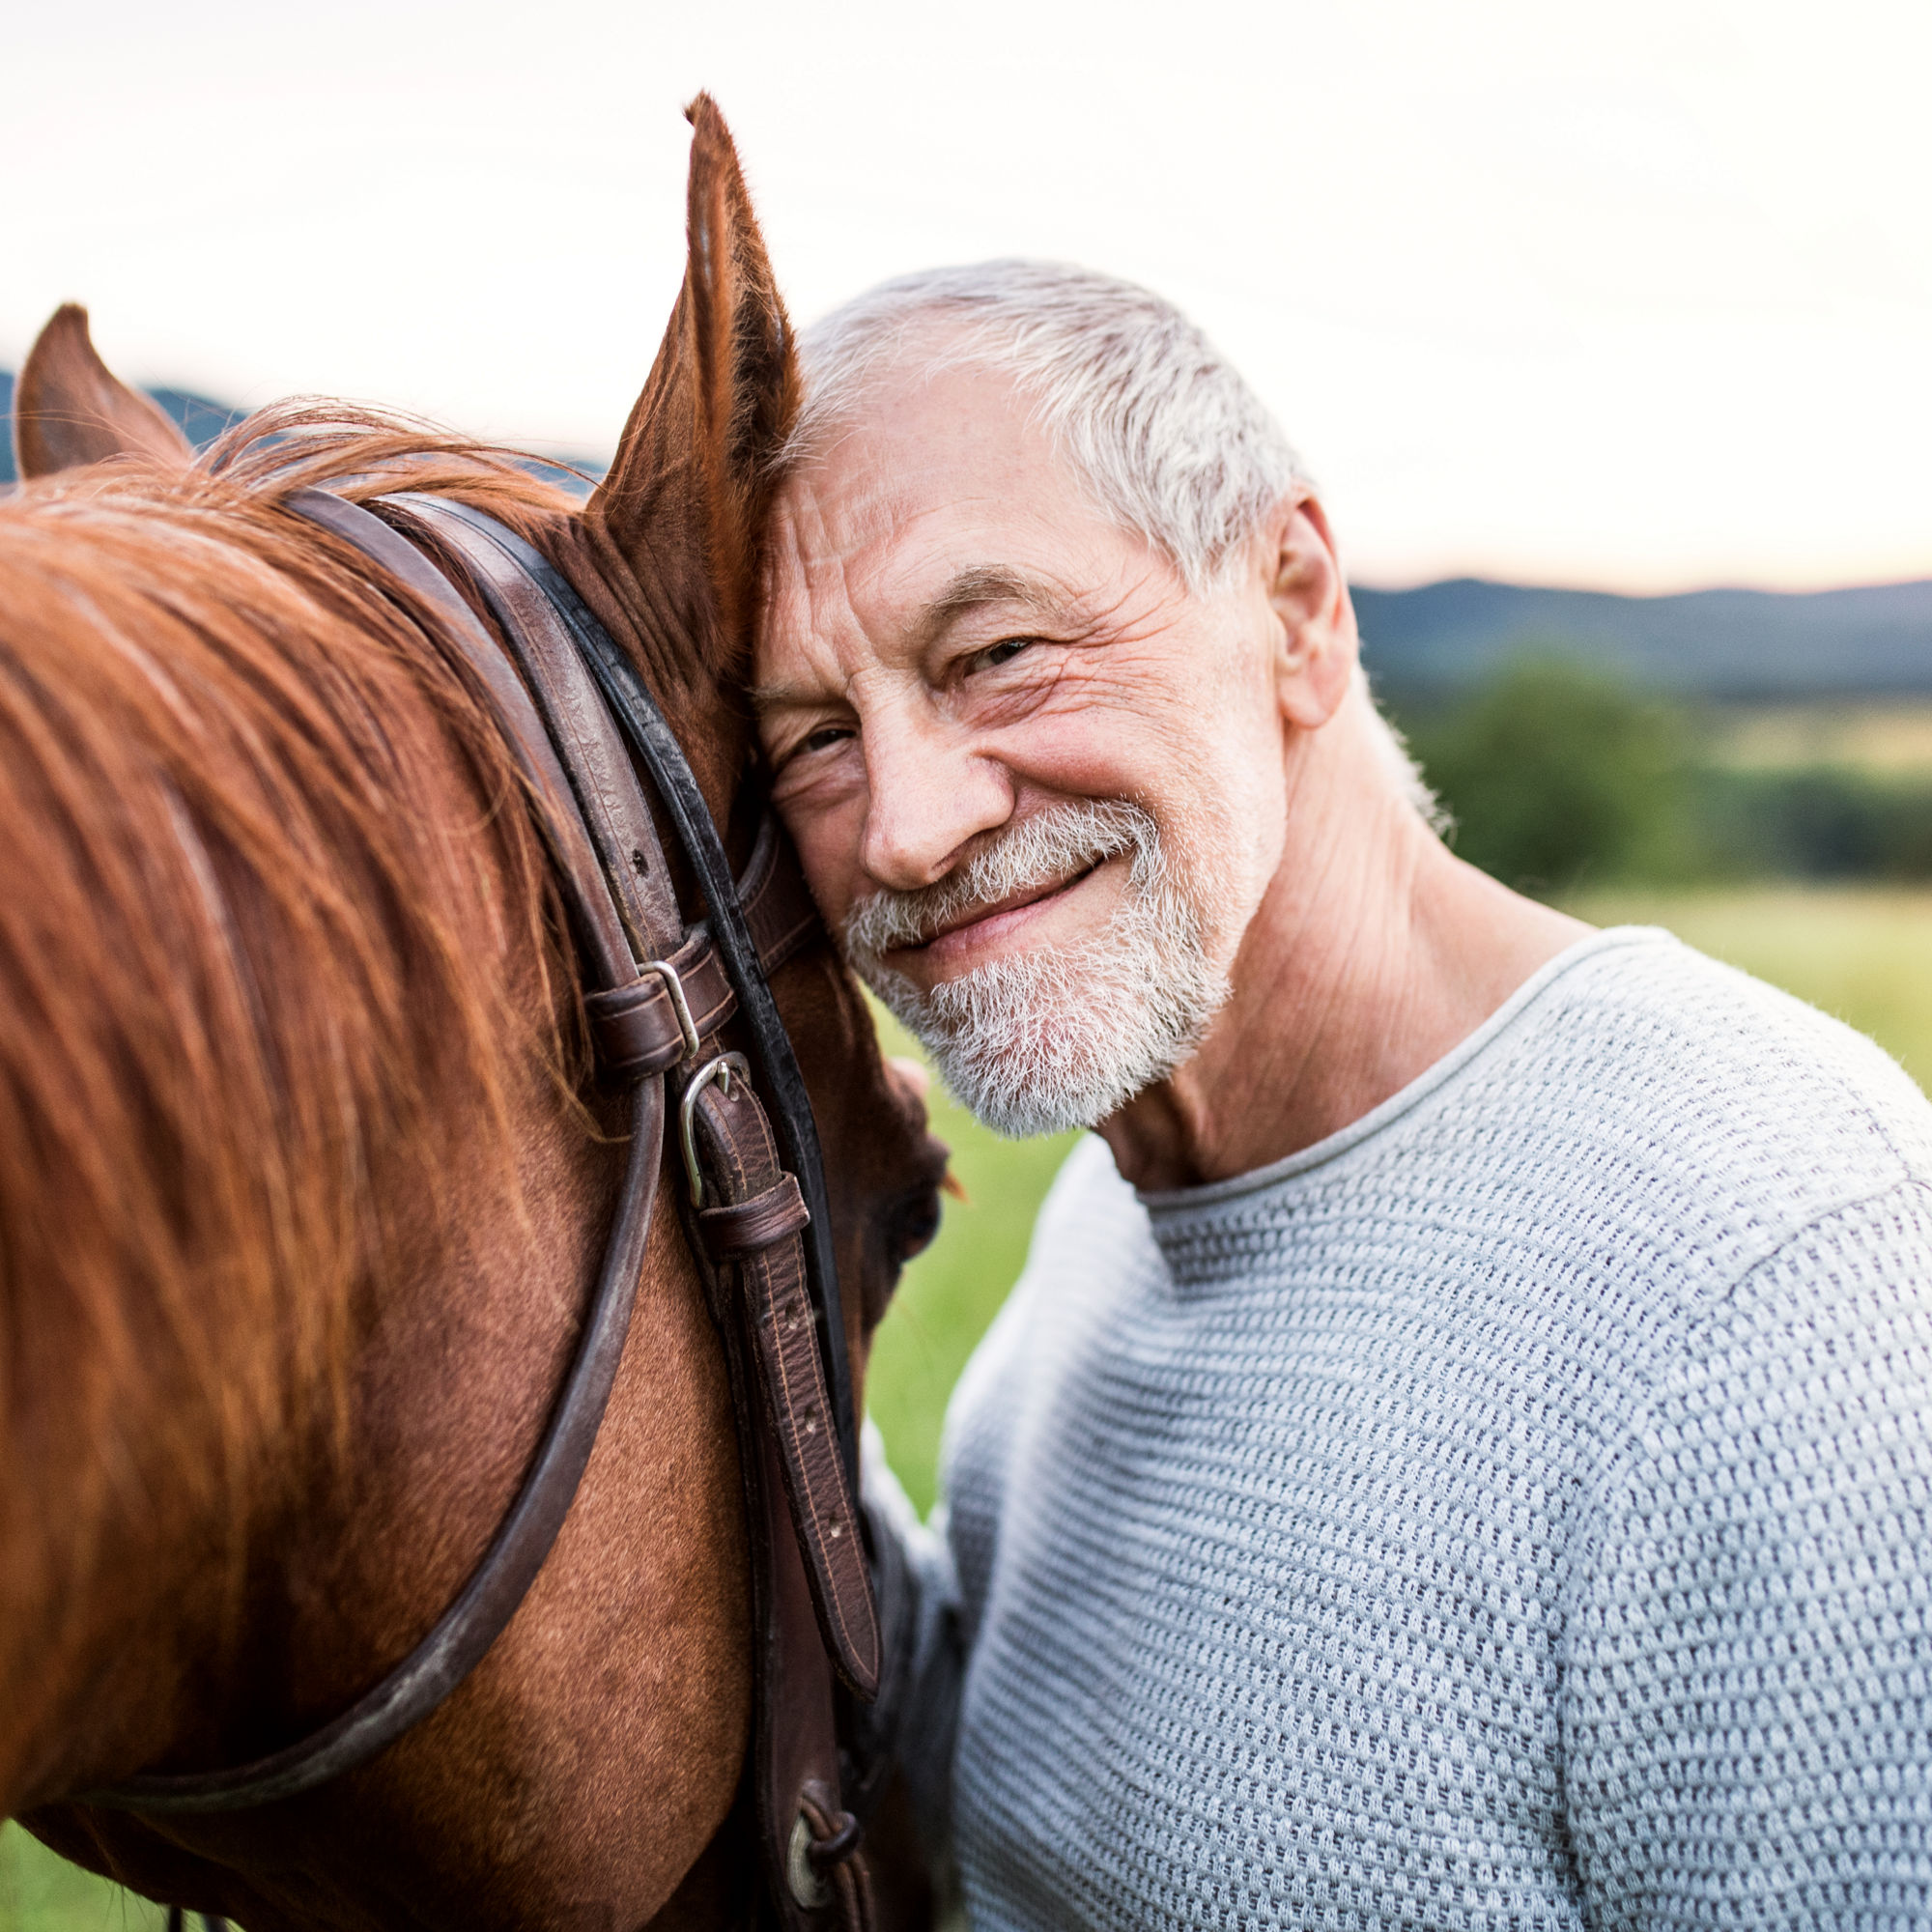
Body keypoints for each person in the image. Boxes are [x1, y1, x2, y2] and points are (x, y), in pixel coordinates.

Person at [753, 262, 1932, 1928]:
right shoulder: (1130, 1197)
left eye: (1000, 651)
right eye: (812, 740)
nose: (906, 829)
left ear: (1295, 606)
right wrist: (750, 1339)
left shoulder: (1773, 1282)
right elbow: (1018, 1821)